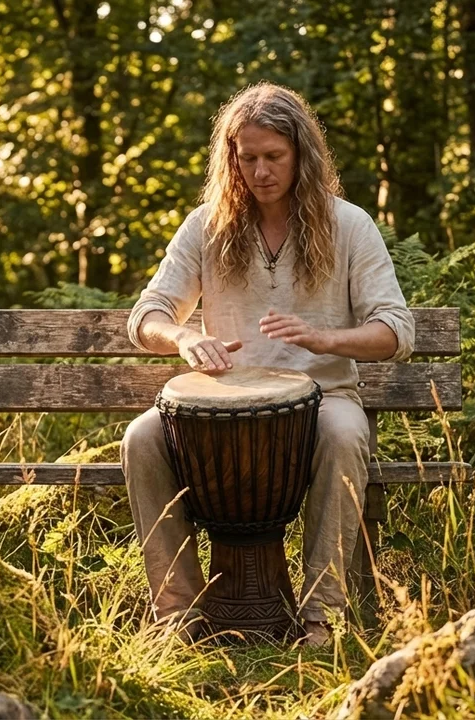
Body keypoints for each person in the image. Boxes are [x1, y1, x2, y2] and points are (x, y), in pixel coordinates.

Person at [121, 82, 415, 647]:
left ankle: (320, 617)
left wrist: (326, 338)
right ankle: (176, 618)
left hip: (322, 399)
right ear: (231, 159)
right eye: (247, 157)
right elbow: (147, 315)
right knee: (141, 438)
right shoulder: (206, 224)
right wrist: (183, 337)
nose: (260, 171)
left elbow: (396, 332)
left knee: (346, 434)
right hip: (220, 406)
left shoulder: (349, 225)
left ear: (301, 154)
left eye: (273, 157)